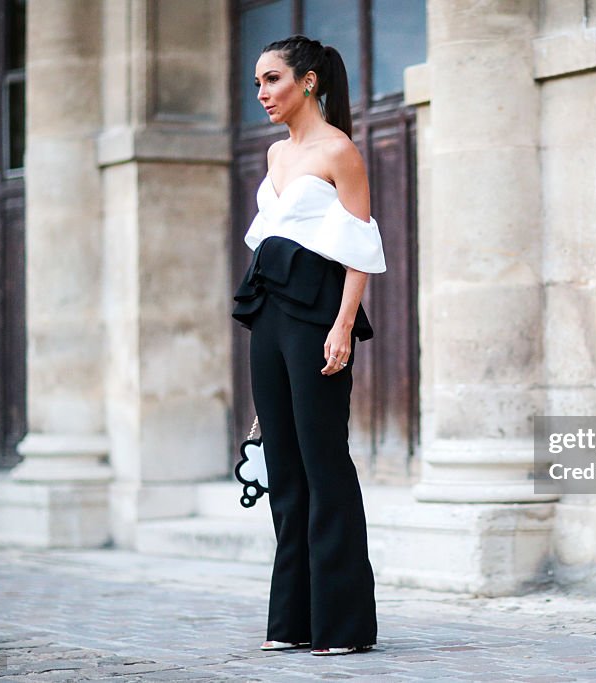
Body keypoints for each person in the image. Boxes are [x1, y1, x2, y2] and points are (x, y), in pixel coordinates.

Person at [231, 35, 385, 657]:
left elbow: (359, 249)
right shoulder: (274, 156)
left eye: (272, 80)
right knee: (285, 470)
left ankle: (343, 626)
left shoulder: (339, 151)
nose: (263, 94)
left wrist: (344, 326)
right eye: (259, 84)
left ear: (310, 81)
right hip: (268, 311)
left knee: (324, 465)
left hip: (319, 314)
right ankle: (291, 620)